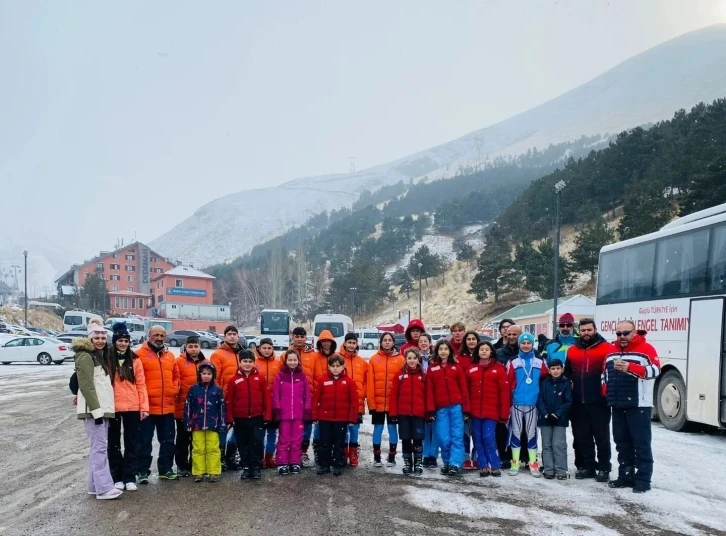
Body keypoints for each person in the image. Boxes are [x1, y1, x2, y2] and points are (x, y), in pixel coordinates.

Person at [603, 321, 660, 493]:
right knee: (622, 442)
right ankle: (625, 475)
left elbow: (656, 371)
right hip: (618, 403)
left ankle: (643, 479)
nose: (622, 337)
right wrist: (606, 392)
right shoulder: (611, 351)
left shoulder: (646, 349)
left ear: (634, 332)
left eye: (626, 333)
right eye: (618, 334)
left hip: (639, 405)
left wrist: (630, 367)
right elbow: (604, 374)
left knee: (641, 443)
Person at [74, 325, 122, 500]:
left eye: (103, 337)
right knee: (100, 449)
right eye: (97, 337)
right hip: (95, 411)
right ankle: (103, 489)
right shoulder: (85, 356)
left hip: (102, 410)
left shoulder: (99, 356)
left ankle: (94, 486)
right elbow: (86, 385)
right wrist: (96, 411)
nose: (100, 341)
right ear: (90, 339)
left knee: (97, 448)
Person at [566, 318, 615, 482]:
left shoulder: (607, 349)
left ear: (595, 330)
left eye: (589, 330)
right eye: (583, 330)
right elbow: (567, 373)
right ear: (579, 331)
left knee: (601, 437)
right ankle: (588, 466)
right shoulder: (572, 350)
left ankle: (604, 468)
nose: (586, 333)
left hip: (599, 401)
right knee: (582, 437)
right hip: (578, 401)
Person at [107, 323, 149, 492]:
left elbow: (141, 384)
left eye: (125, 340)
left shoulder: (135, 359)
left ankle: (129, 476)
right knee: (113, 443)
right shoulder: (108, 358)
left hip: (132, 406)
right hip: (113, 406)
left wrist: (143, 407)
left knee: (132, 443)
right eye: (120, 340)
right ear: (115, 341)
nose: (123, 343)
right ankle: (116, 477)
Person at [136, 326, 180, 482]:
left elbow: (176, 375)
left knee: (168, 441)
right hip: (147, 408)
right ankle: (142, 471)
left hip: (167, 407)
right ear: (149, 335)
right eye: (156, 335)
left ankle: (166, 469)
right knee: (144, 441)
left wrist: (174, 388)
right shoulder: (138, 355)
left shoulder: (169, 356)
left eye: (162, 335)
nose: (159, 338)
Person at [225, 350, 271, 480]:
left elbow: (267, 398)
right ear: (240, 362)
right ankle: (246, 467)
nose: (247, 364)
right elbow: (229, 400)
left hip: (257, 417)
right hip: (240, 418)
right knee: (243, 443)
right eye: (245, 361)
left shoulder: (260, 378)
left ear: (254, 362)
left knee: (256, 442)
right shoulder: (234, 380)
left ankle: (256, 467)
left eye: (250, 361)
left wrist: (267, 415)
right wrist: (230, 418)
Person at [506, 332, 548, 476]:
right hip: (517, 403)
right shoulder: (513, 362)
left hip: (533, 403)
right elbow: (508, 382)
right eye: (523, 343)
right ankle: (515, 462)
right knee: (516, 432)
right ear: (519, 344)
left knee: (531, 433)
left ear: (532, 344)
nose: (525, 345)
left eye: (528, 343)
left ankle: (533, 463)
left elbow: (545, 380)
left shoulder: (540, 361)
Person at [426, 339, 470, 476]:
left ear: (450, 351)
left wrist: (466, 408)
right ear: (436, 351)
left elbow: (463, 388)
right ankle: (447, 462)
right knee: (443, 437)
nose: (443, 351)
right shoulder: (432, 368)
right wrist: (430, 409)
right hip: (441, 409)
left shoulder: (456, 367)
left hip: (456, 407)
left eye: (446, 349)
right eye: (441, 349)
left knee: (457, 436)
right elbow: (429, 391)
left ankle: (455, 463)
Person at [466, 341, 510, 477]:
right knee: (478, 439)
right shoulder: (471, 369)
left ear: (491, 352)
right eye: (481, 349)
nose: (484, 351)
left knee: (488, 437)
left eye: (487, 349)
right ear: (477, 352)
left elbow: (505, 392)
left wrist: (504, 413)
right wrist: (466, 410)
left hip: (491, 411)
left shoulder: (499, 368)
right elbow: (466, 392)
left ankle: (494, 464)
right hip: (475, 411)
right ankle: (483, 465)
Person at [312, 354, 358, 476]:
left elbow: (354, 402)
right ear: (329, 366)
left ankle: (338, 464)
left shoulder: (349, 382)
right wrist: (315, 416)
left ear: (343, 366)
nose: (335, 368)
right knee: (324, 442)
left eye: (338, 366)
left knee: (339, 443)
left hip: (341, 418)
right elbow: (316, 399)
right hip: (324, 418)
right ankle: (324, 465)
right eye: (333, 366)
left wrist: (352, 418)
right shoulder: (322, 380)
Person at [366, 332, 405, 467]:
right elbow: (370, 383)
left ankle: (392, 457)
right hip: (377, 403)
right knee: (378, 429)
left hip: (393, 403)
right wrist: (371, 404)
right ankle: (377, 457)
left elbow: (403, 383)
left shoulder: (401, 360)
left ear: (393, 343)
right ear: (381, 342)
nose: (387, 342)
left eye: (389, 340)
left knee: (392, 428)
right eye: (385, 340)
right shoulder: (373, 359)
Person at [272, 349, 312, 475]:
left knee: (296, 439)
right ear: (285, 361)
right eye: (290, 360)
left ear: (298, 361)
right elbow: (276, 394)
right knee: (284, 439)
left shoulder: (303, 376)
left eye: (295, 360)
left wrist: (307, 410)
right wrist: (277, 409)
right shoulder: (280, 376)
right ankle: (282, 463)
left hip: (299, 415)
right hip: (284, 414)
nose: (292, 362)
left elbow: (307, 395)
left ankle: (295, 462)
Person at [282, 326, 317, 465]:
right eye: (297, 336)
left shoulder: (313, 355)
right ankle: (291, 451)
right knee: (292, 426)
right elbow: (282, 375)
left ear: (305, 338)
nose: (299, 339)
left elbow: (317, 375)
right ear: (292, 337)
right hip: (291, 397)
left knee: (307, 426)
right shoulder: (286, 355)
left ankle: (303, 451)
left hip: (309, 396)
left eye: (302, 336)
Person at [184, 362, 225, 483]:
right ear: (199, 375)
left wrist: (222, 423)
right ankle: (199, 472)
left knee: (213, 448)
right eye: (204, 373)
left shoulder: (217, 390)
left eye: (209, 374)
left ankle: (213, 472)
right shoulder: (193, 390)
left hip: (213, 425)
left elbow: (222, 408)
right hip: (197, 425)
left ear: (213, 375)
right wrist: (187, 422)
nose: (206, 376)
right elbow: (188, 407)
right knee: (198, 449)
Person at [210, 325, 244, 470]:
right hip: (223, 398)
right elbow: (214, 378)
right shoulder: (218, 354)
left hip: (240, 399)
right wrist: (217, 396)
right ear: (224, 336)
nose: (232, 336)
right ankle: (221, 458)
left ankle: (231, 455)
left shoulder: (243, 353)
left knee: (238, 428)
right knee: (223, 428)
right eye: (229, 334)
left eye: (234, 334)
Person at [389, 348, 426, 476]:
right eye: (409, 358)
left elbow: (427, 395)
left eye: (414, 358)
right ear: (405, 359)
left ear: (418, 359)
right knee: (405, 439)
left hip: (419, 414)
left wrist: (428, 412)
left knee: (417, 439)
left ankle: (418, 463)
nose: (411, 361)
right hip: (403, 414)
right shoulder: (399, 375)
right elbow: (394, 395)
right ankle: (408, 463)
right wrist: (393, 413)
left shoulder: (423, 375)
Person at [174, 335, 208, 478]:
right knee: (182, 438)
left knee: (197, 439)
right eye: (190, 346)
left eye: (196, 346)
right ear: (186, 347)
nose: (193, 349)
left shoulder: (206, 362)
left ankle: (196, 464)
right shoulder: (178, 362)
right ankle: (182, 465)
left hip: (200, 408)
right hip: (183, 407)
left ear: (199, 347)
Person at [537, 358, 572, 480]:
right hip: (545, 418)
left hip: (559, 419)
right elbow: (540, 399)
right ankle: (548, 469)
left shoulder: (566, 383)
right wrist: (545, 413)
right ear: (549, 370)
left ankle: (561, 469)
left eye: (558, 368)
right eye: (553, 369)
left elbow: (568, 401)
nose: (555, 371)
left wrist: (557, 413)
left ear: (562, 369)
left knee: (559, 444)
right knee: (547, 444)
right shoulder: (544, 382)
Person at [495, 324, 522, 468]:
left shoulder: (529, 352)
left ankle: (519, 456)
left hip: (522, 397)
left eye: (515, 334)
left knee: (521, 428)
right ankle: (504, 456)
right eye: (509, 334)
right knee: (502, 427)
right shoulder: (498, 353)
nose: (511, 337)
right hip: (503, 397)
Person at [339, 333, 367, 467]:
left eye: (353, 343)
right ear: (344, 343)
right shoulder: (338, 359)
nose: (351, 345)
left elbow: (366, 381)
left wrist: (363, 392)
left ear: (357, 344)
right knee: (343, 429)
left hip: (357, 403)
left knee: (355, 429)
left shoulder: (362, 362)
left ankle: (353, 452)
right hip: (342, 402)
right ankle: (344, 453)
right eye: (348, 342)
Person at [254, 338, 282, 469]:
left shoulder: (278, 363)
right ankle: (258, 457)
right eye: (264, 348)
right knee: (259, 434)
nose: (266, 350)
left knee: (272, 432)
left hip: (274, 404)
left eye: (269, 348)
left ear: (272, 349)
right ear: (259, 348)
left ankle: (269, 457)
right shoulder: (253, 362)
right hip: (258, 404)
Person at [311, 330, 338, 464]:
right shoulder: (314, 357)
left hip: (333, 396)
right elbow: (311, 374)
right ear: (320, 343)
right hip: (319, 395)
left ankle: (333, 454)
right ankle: (318, 452)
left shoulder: (337, 356)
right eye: (324, 341)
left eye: (328, 341)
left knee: (333, 428)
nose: (326, 344)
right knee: (319, 427)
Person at [457, 330, 480, 470]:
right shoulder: (459, 358)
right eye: (469, 339)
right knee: (464, 430)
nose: (471, 341)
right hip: (464, 399)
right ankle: (465, 457)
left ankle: (476, 455)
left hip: (479, 399)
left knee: (477, 430)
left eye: (474, 339)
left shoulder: (483, 355)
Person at [417, 333, 439, 467]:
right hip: (421, 396)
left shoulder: (435, 359)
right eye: (421, 341)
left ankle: (434, 455)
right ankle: (425, 454)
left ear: (430, 343)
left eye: (426, 341)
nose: (424, 343)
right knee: (425, 428)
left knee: (435, 428)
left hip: (435, 396)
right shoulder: (415, 358)